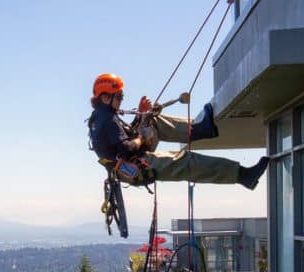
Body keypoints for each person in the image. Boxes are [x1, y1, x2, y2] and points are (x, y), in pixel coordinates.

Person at [88, 73, 268, 189]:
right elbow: (126, 148)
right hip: (132, 166)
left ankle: (199, 129)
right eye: (118, 96)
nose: (121, 100)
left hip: (128, 162)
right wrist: (142, 139)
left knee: (154, 120)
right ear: (105, 97)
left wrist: (142, 116)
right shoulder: (107, 119)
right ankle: (243, 175)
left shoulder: (102, 116)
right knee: (185, 161)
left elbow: (120, 139)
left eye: (121, 96)